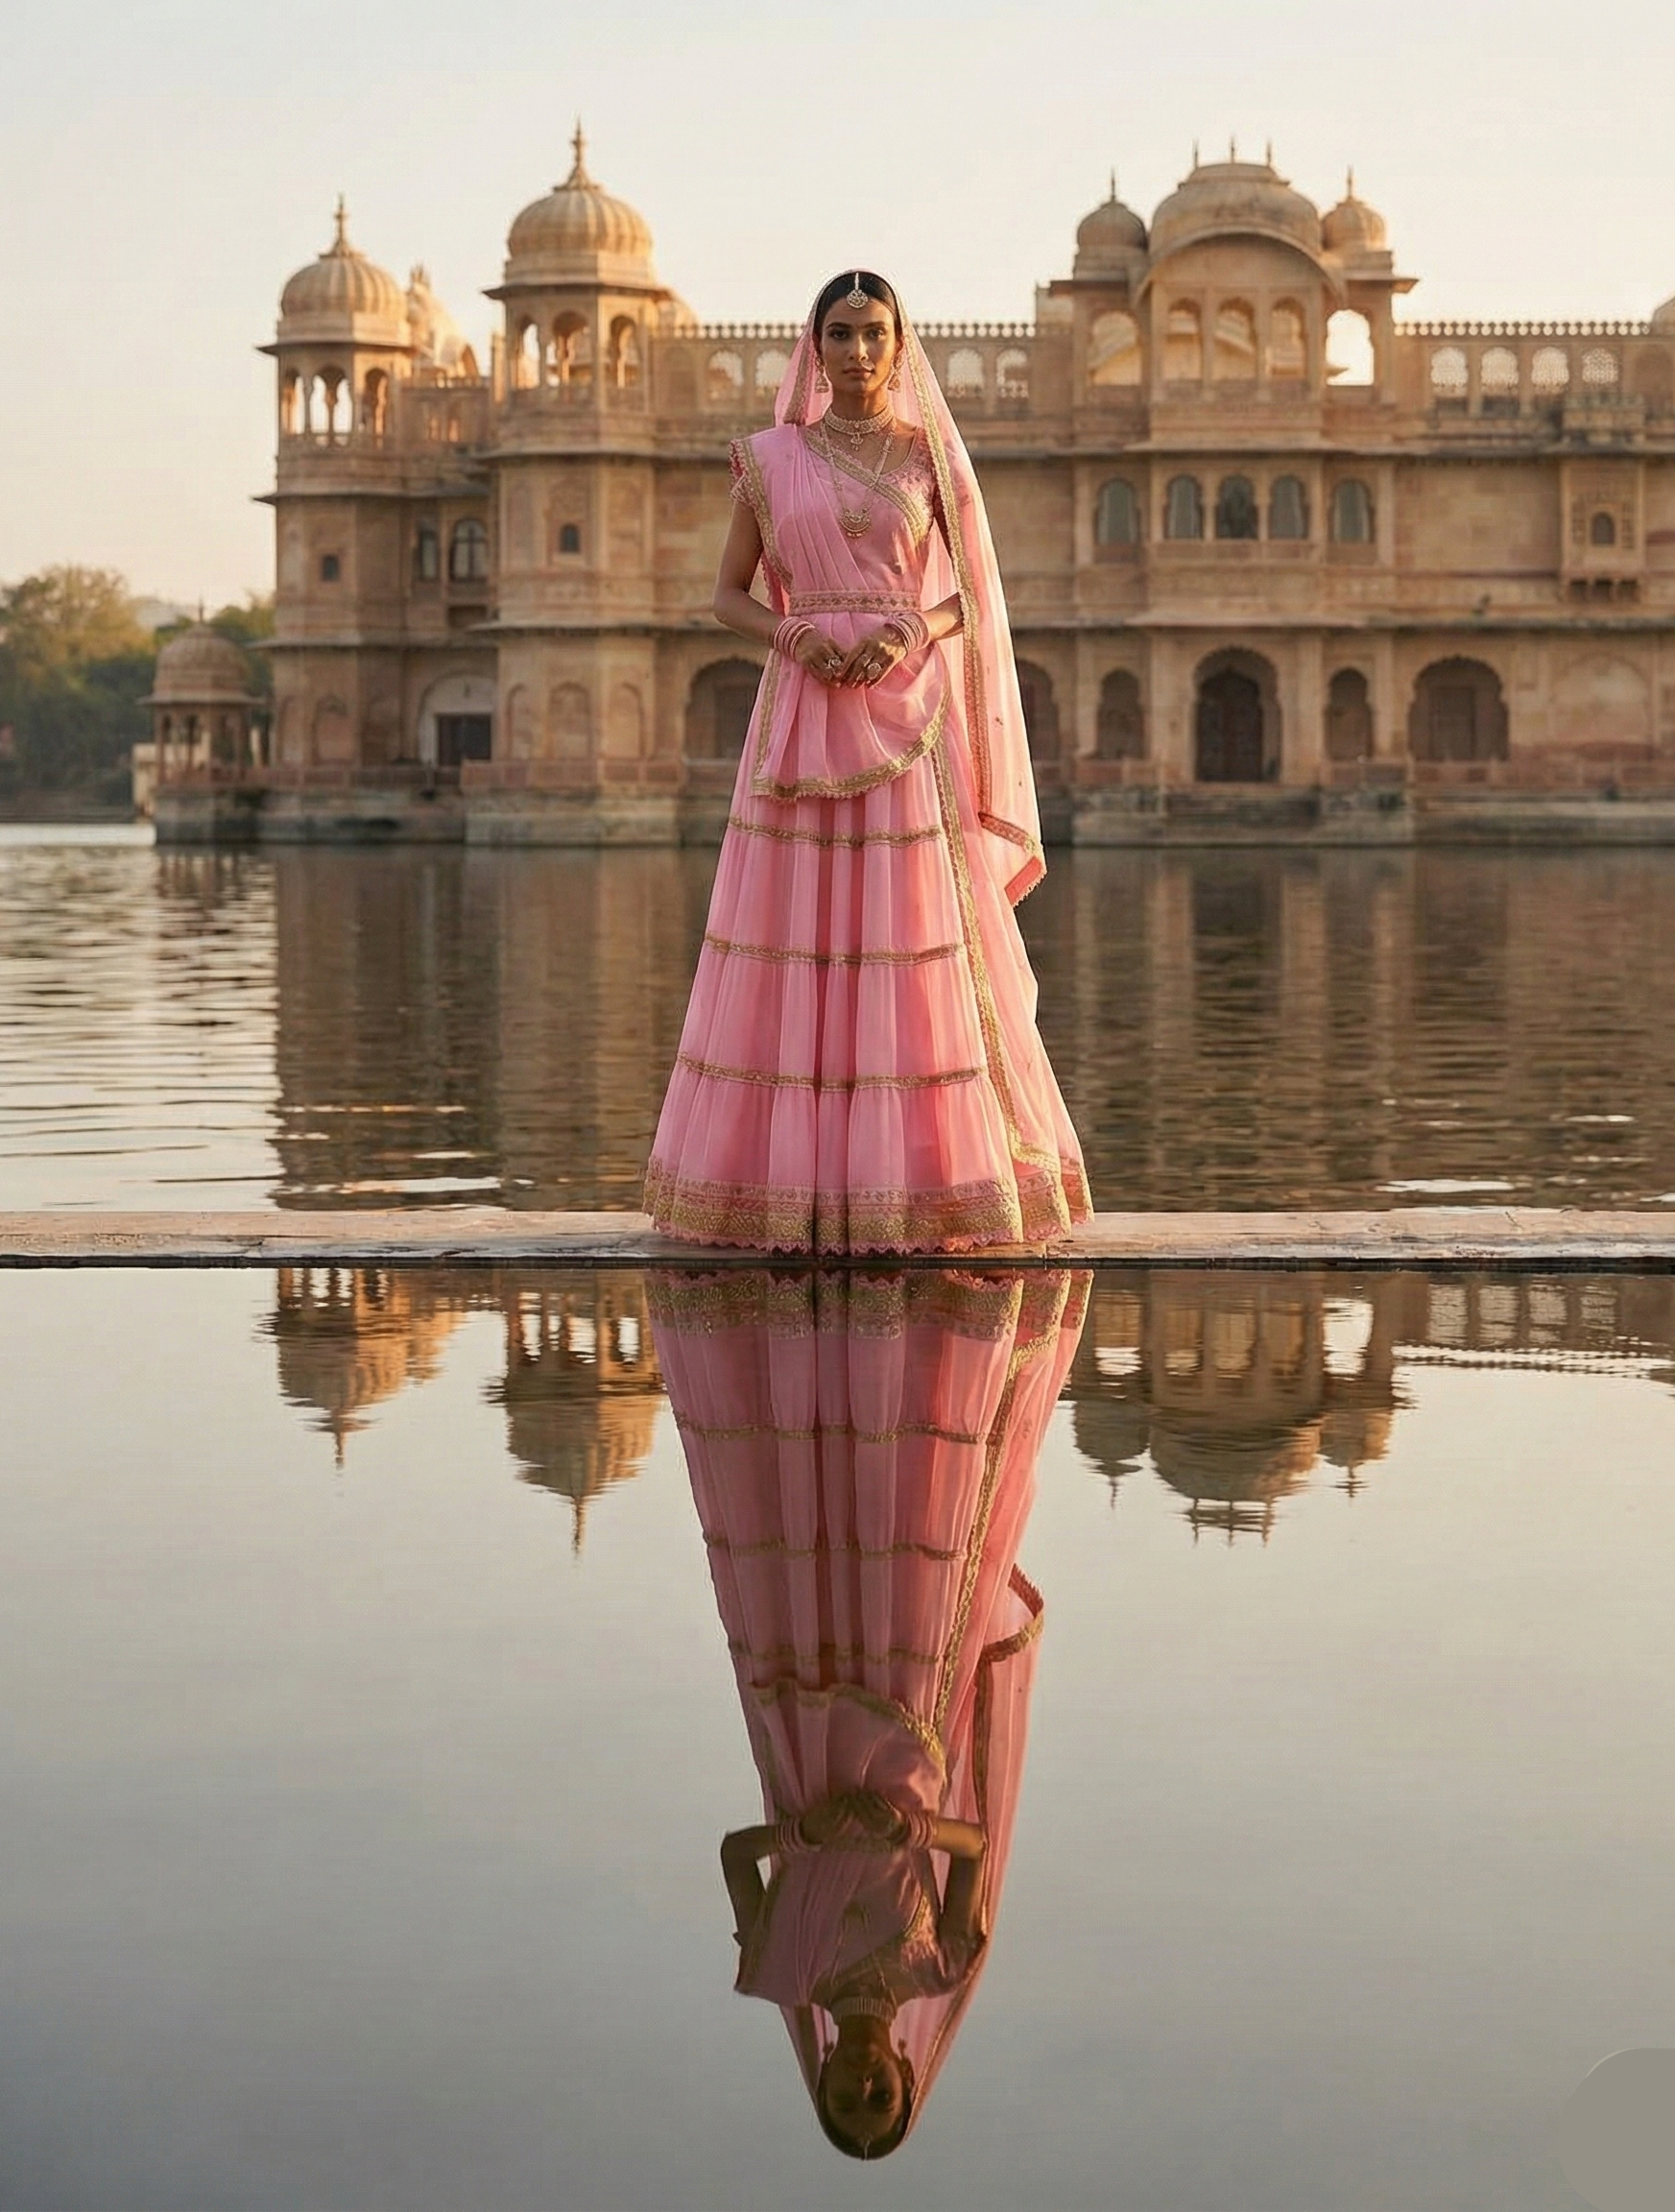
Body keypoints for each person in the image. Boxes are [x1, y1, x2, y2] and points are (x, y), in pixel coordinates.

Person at [643, 272, 1092, 1254]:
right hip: (803, 708)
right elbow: (726, 594)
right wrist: (789, 635)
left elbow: (969, 594)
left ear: (899, 346)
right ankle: (785, 1192)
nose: (855, 352)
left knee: (905, 940)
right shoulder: (768, 459)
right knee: (795, 940)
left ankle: (921, 1186)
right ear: (813, 346)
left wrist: (908, 633)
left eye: (872, 334)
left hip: (904, 719)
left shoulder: (929, 456)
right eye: (839, 334)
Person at [650, 1265, 1090, 2156]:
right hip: (911, 1734)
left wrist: (805, 1841)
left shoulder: (775, 1972)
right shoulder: (942, 1964)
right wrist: (903, 1829)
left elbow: (738, 1852)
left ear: (821, 2080)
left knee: (804, 1547)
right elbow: (971, 1843)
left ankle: (809, 1355)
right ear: (901, 2072)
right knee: (910, 1543)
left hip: (806, 1735)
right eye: (879, 2096)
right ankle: (907, 1352)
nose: (861, 2085)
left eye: (844, 2099)